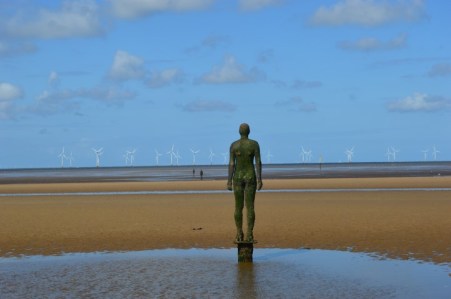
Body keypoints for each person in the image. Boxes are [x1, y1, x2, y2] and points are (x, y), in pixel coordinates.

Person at [227, 123, 262, 243]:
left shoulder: (234, 145)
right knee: (250, 207)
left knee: (238, 207)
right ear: (249, 131)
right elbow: (258, 162)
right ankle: (249, 234)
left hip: (237, 177)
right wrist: (259, 179)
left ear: (239, 132)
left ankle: (239, 233)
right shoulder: (254, 144)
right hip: (250, 176)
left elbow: (232, 164)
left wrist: (229, 181)